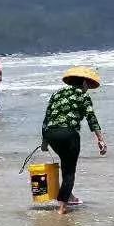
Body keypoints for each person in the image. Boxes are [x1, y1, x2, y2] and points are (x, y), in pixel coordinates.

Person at [41, 65, 107, 214]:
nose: (88, 88)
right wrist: (100, 139)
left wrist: (44, 142)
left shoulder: (56, 94)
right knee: (70, 171)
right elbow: (91, 118)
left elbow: (47, 118)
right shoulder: (83, 95)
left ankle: (69, 196)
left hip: (51, 134)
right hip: (69, 134)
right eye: (88, 85)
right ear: (83, 82)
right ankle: (62, 207)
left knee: (65, 162)